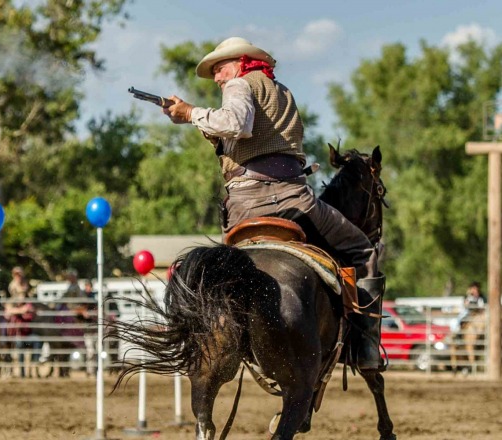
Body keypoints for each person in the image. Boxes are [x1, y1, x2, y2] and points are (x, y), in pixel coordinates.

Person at [161, 36, 384, 370]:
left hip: (245, 207)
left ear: (239, 62)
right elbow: (250, 135)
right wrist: (193, 119)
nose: (218, 78)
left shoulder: (238, 84)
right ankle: (365, 347)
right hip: (297, 201)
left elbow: (237, 124)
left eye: (219, 69)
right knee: (363, 250)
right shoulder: (283, 93)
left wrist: (192, 112)